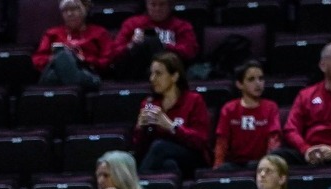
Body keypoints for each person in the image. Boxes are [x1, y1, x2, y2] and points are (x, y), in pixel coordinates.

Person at [132, 51, 210, 179]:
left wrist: (171, 126)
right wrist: (140, 128)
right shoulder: (149, 103)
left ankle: (138, 185)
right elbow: (139, 149)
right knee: (169, 165)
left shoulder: (194, 100)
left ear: (174, 76)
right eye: (151, 73)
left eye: (158, 74)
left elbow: (200, 141)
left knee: (160, 146)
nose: (152, 78)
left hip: (192, 157)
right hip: (165, 160)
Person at [213, 62, 282, 170]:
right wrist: (217, 166)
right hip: (234, 163)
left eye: (261, 79)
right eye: (251, 79)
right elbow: (222, 141)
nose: (258, 83)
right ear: (239, 84)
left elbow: (273, 139)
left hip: (260, 163)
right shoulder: (229, 108)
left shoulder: (271, 107)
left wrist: (269, 163)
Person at [34, 0, 111, 90]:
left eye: (74, 9)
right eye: (65, 10)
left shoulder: (99, 32)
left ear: (85, 9)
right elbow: (38, 59)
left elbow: (107, 59)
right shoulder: (52, 33)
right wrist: (56, 59)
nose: (69, 14)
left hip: (86, 69)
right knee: (62, 54)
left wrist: (83, 59)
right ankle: (83, 84)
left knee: (53, 76)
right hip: (59, 70)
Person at [109, 0, 197, 78]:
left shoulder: (182, 26)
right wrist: (131, 44)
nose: (157, 9)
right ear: (147, 5)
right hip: (135, 69)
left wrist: (164, 45)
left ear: (169, 6)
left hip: (168, 71)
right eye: (153, 4)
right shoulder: (132, 24)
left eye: (162, 4)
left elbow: (190, 51)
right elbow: (115, 52)